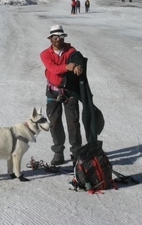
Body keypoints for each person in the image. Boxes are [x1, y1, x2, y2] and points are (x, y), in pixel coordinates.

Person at [40, 25, 84, 165]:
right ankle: (58, 153)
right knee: (54, 123)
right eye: (55, 37)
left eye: (61, 36)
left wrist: (78, 65)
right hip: (53, 92)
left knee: (73, 123)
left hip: (69, 92)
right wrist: (66, 67)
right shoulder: (45, 54)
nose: (58, 39)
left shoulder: (70, 50)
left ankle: (76, 153)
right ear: (50, 39)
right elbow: (52, 68)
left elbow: (77, 57)